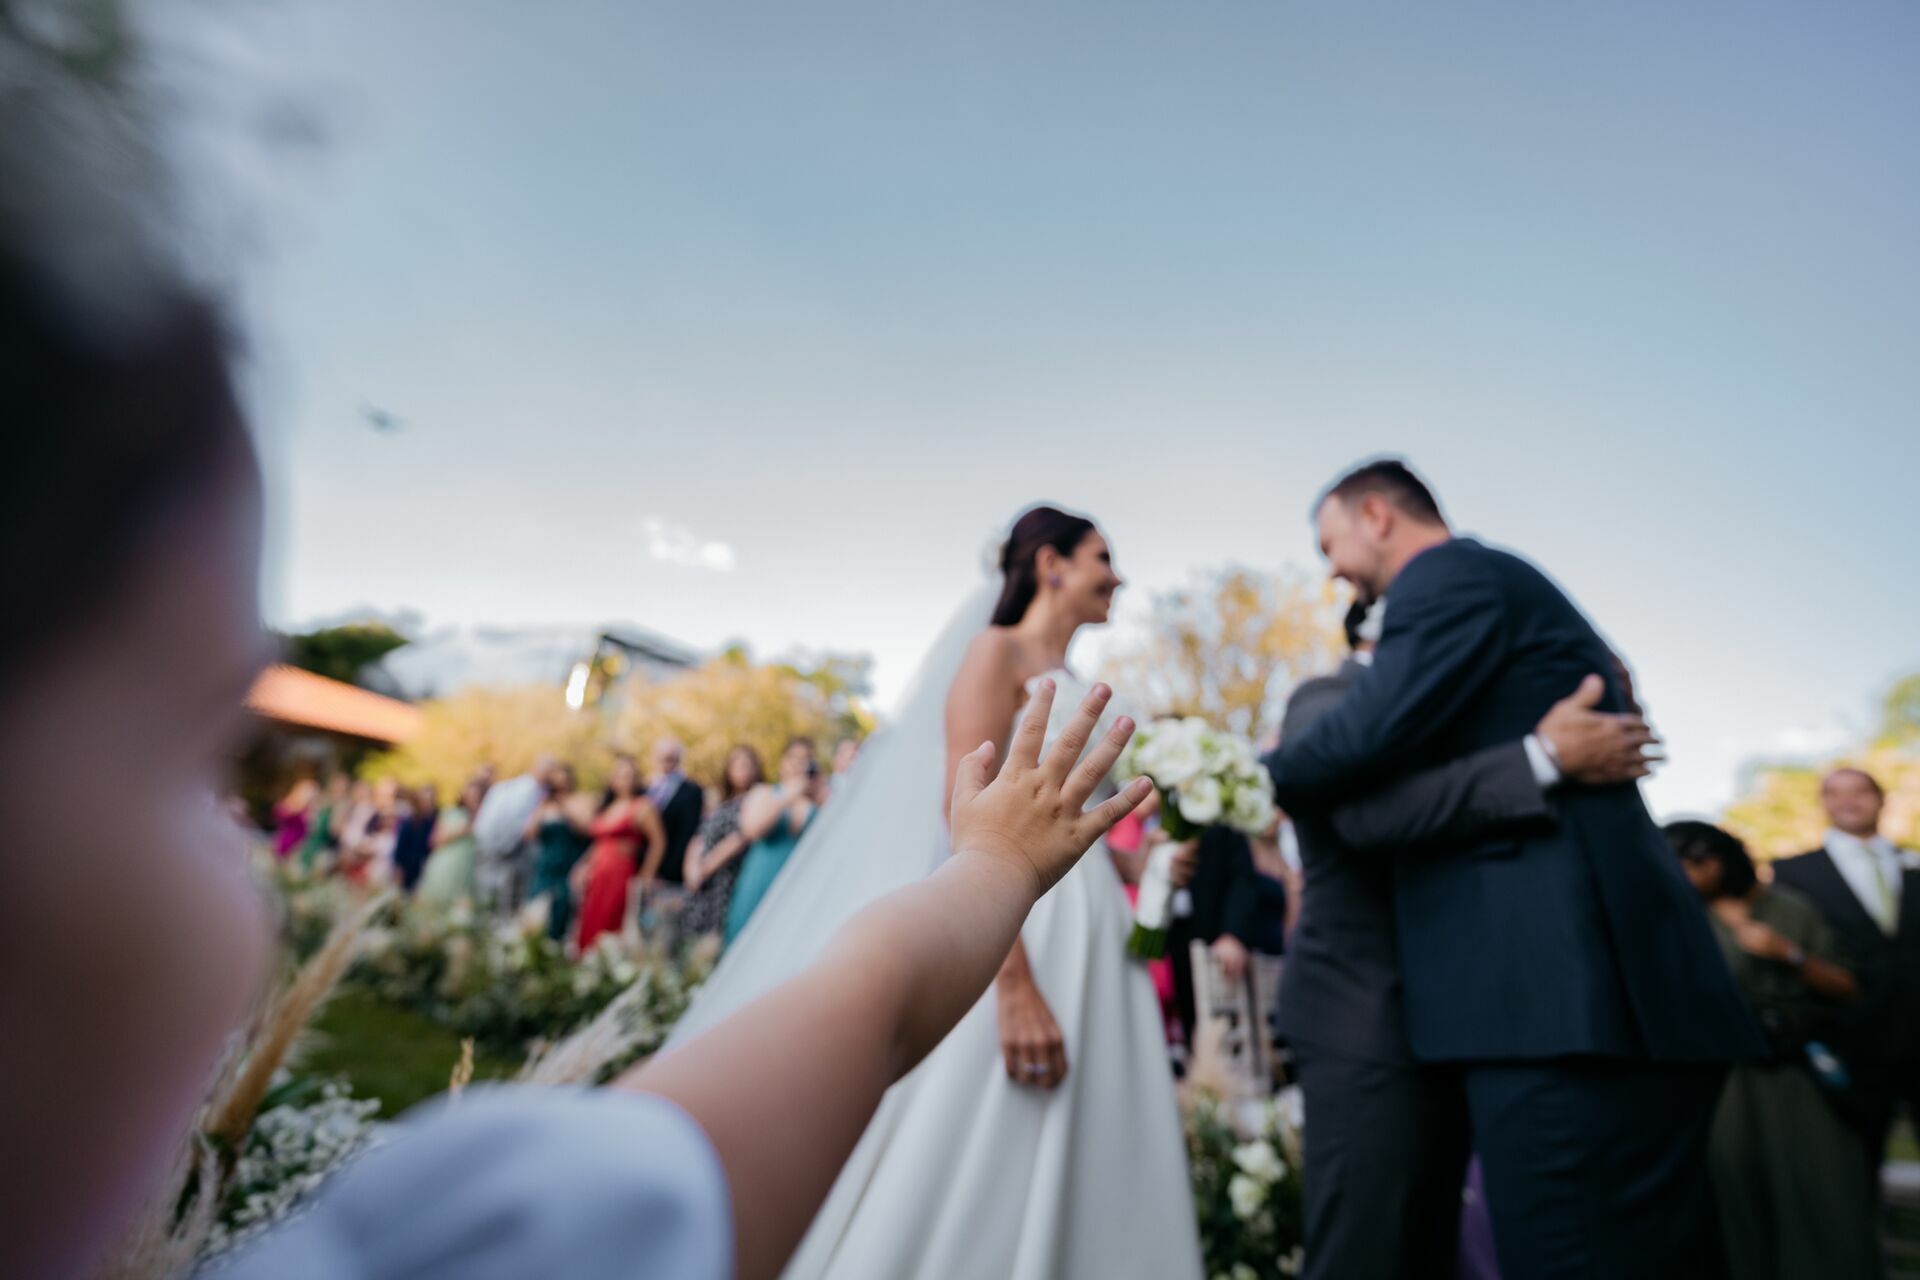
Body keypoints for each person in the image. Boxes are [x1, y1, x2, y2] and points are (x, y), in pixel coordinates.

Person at [671, 505, 1203, 1279]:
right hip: (1019, 925)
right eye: (1101, 557)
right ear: (1051, 565)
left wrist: (1144, 863)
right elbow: (967, 816)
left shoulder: (1082, 683)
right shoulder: (995, 652)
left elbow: (1076, 833)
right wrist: (1010, 986)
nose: (1117, 576)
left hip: (1096, 932)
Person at [1265, 459, 1762, 1279]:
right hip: (1553, 1002)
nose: (1332, 572)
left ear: (1377, 516)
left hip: (1558, 1003)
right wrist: (1541, 755)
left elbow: (1352, 748)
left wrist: (1242, 774)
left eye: (1331, 545)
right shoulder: (1495, 605)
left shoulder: (1446, 579)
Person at [1271, 592, 1663, 1278]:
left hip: (1463, 1014)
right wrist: (1543, 757)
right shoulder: (1326, 696)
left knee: (1434, 1244)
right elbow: (1364, 815)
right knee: (1364, 1244)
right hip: (1366, 1014)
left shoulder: (1455, 714)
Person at [1663, 820, 1878, 1280]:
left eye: (1693, 862)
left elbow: (1849, 987)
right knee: (1735, 1193)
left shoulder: (1789, 908)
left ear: (1718, 860)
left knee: (1821, 1188)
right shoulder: (1677, 917)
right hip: (1724, 1078)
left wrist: (1789, 954)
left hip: (1796, 1071)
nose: (1687, 873)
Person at [1770, 767, 1920, 1193]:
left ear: (1881, 799)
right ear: (1823, 803)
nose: (1848, 801)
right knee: (1853, 1166)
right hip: (1848, 1039)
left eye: (1860, 791)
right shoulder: (1792, 872)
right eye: (1835, 793)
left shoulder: (1913, 863)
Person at [725, 739, 825, 944]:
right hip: (762, 881)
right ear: (782, 763)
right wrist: (790, 793)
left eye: (805, 759)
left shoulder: (817, 802)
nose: (798, 764)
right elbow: (752, 829)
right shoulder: (765, 793)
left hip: (798, 888)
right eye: (793, 758)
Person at [573, 754, 666, 952]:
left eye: (629, 775)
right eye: (619, 775)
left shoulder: (643, 806)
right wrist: (582, 865)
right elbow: (599, 842)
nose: (624, 780)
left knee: (610, 926)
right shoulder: (607, 806)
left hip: (620, 874)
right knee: (589, 922)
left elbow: (658, 842)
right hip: (596, 875)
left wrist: (646, 875)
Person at [682, 744, 765, 941]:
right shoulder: (720, 803)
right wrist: (691, 871)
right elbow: (699, 838)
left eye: (747, 764)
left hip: (728, 879)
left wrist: (706, 868)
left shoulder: (758, 798)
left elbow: (741, 837)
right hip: (703, 883)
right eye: (737, 764)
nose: (742, 769)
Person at [525, 761, 592, 941]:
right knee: (536, 910)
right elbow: (529, 834)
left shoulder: (580, 800)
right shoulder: (544, 804)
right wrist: (542, 809)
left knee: (563, 912)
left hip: (569, 864)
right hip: (546, 865)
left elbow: (587, 830)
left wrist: (564, 809)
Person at [416, 780, 485, 911]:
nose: (472, 799)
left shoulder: (484, 815)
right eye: (470, 795)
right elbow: (433, 841)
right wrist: (460, 831)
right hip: (445, 866)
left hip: (466, 870)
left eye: (476, 796)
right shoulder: (450, 812)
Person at [390, 782, 440, 893]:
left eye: (429, 800)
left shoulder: (435, 820)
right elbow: (400, 845)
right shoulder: (410, 820)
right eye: (424, 800)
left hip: (425, 866)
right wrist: (398, 866)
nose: (427, 803)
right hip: (407, 865)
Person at [270, 778, 316, 859]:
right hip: (286, 841)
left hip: (299, 845)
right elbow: (278, 814)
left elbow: (311, 827)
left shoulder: (309, 809)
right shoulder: (292, 803)